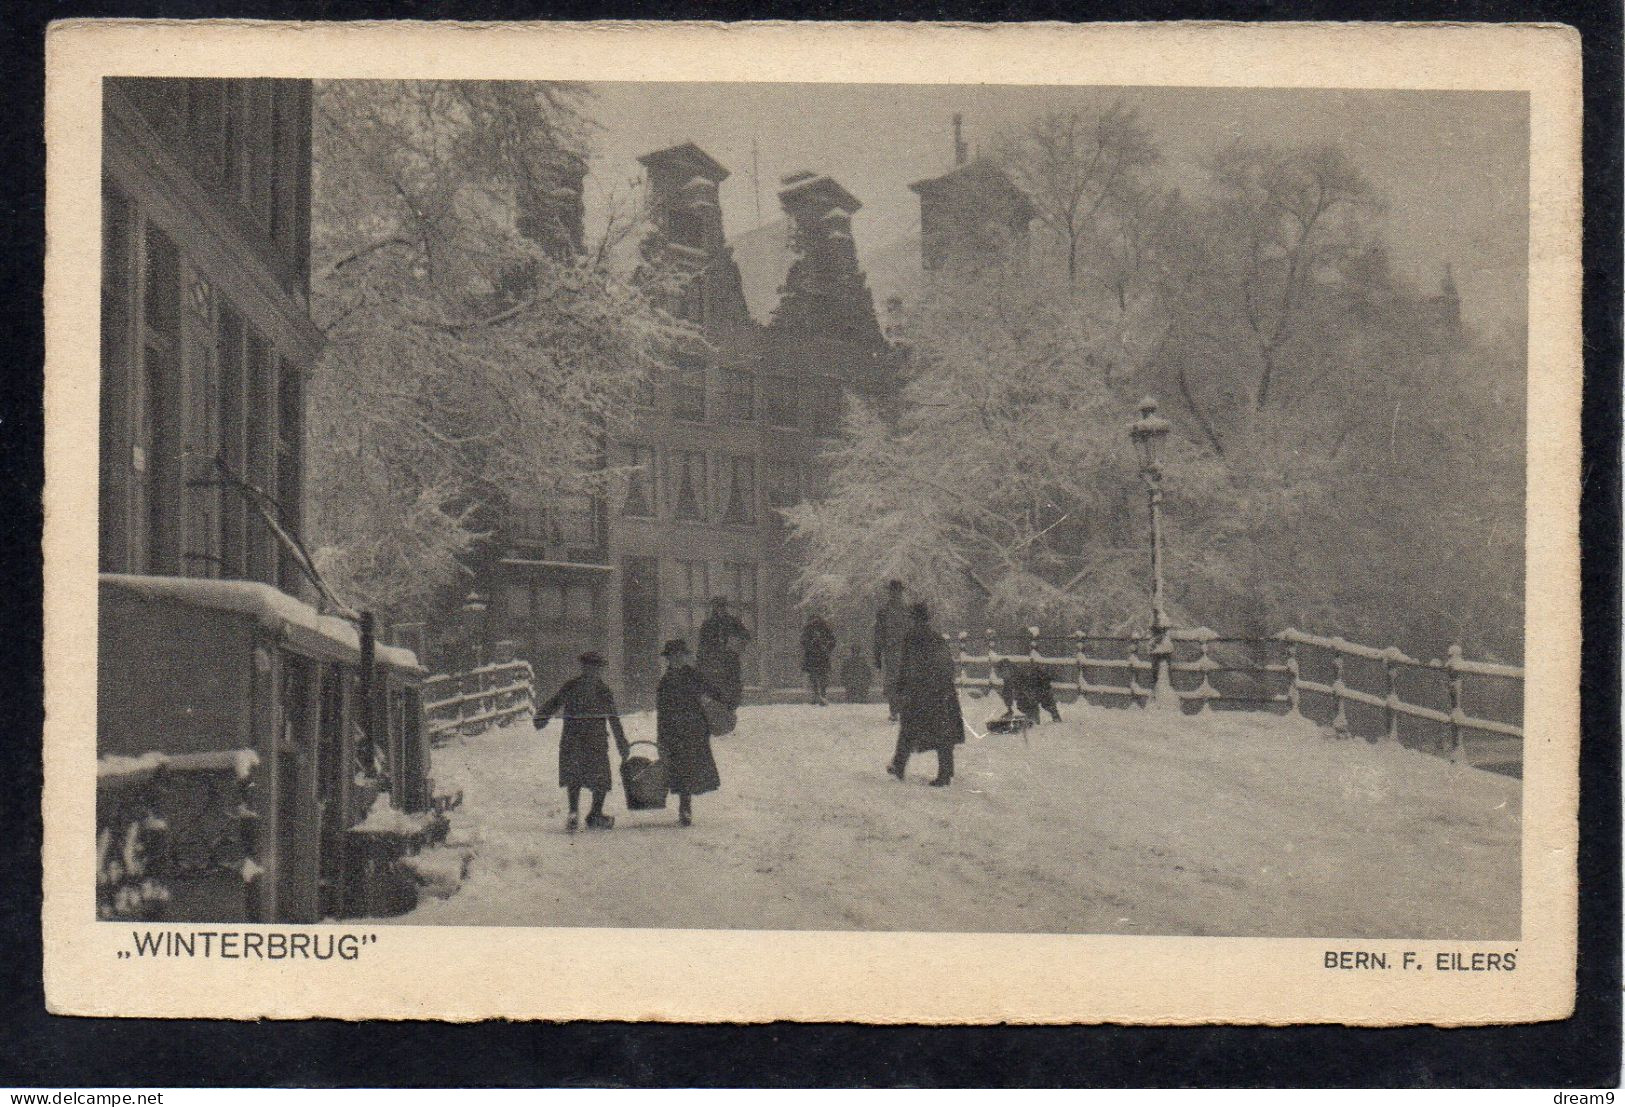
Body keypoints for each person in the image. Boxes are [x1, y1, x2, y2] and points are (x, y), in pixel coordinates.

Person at [533, 650, 629, 831]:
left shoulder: (592, 689)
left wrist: (621, 742)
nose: (592, 671)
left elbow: (613, 717)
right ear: (584, 668)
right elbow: (556, 701)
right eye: (590, 668)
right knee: (586, 778)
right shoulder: (587, 688)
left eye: (595, 668)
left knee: (589, 778)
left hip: (584, 740)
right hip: (584, 740)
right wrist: (542, 716)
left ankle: (584, 813)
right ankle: (583, 813)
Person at [887, 601, 965, 787]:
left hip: (921, 691)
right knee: (943, 732)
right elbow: (948, 664)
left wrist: (900, 689)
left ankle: (899, 765)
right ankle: (946, 772)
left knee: (908, 728)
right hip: (941, 690)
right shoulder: (937, 637)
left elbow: (907, 667)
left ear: (913, 618)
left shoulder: (911, 638)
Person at [656, 638, 723, 827]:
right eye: (673, 656)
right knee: (680, 770)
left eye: (680, 656)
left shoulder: (694, 675)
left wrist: (715, 701)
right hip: (674, 731)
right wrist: (661, 736)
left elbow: (714, 692)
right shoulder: (665, 681)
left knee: (690, 770)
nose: (677, 659)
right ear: (668, 659)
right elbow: (662, 711)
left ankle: (686, 808)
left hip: (695, 729)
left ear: (684, 657)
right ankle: (684, 809)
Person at [696, 596, 752, 710]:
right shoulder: (708, 624)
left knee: (732, 684)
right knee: (714, 685)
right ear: (714, 609)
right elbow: (702, 645)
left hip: (730, 659)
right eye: (717, 607)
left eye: (722, 607)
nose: (720, 610)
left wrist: (736, 644)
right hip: (713, 661)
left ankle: (730, 706)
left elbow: (746, 636)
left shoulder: (733, 622)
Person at [872, 580, 912, 721]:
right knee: (900, 680)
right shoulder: (905, 610)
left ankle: (897, 709)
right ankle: (898, 709)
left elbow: (879, 634)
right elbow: (879, 633)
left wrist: (877, 654)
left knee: (895, 680)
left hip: (897, 651)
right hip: (900, 651)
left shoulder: (887, 611)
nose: (894, 594)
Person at [993, 658, 1064, 724]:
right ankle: (1032, 719)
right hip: (1029, 689)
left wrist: (1030, 700)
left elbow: (1031, 693)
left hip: (1040, 684)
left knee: (1045, 702)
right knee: (1022, 703)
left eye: (1001, 673)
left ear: (1007, 669)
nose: (1001, 676)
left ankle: (1052, 717)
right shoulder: (1008, 678)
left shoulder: (1022, 673)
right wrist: (1009, 709)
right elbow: (1007, 693)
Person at [800, 612, 837, 705]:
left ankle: (822, 696)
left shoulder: (824, 629)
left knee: (821, 677)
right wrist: (812, 644)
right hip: (813, 656)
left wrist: (826, 646)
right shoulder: (808, 629)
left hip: (820, 656)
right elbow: (804, 642)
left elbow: (832, 641)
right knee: (815, 678)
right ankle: (817, 696)